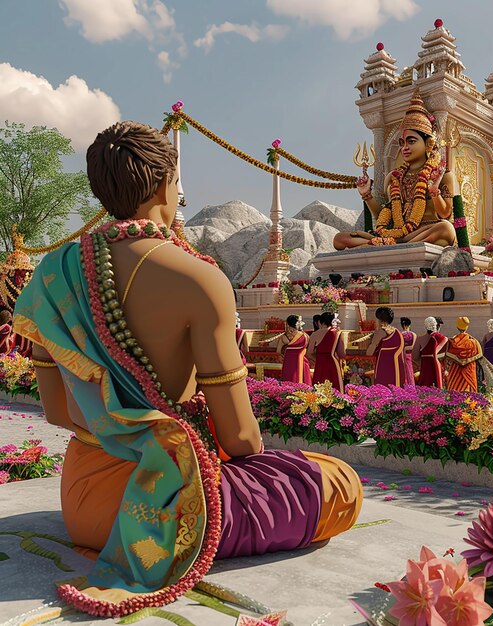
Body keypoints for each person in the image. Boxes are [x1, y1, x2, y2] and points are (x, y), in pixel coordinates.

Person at [13, 121, 362, 617]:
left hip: (82, 499)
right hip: (169, 504)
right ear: (164, 185)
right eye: (177, 182)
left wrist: (125, 428)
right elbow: (241, 439)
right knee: (338, 483)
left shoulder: (53, 273)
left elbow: (57, 412)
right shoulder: (198, 277)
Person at [333, 88, 456, 250]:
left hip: (426, 230)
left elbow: (445, 213)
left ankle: (385, 247)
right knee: (339, 239)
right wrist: (366, 195)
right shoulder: (394, 177)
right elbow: (382, 216)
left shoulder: (442, 175)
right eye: (402, 143)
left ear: (428, 144)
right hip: (396, 234)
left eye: (411, 141)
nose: (405, 147)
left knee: (446, 229)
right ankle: (392, 246)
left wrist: (434, 191)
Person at [366, 307, 407, 387]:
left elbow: (369, 352)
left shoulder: (381, 332)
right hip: (397, 369)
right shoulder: (397, 332)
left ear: (379, 320)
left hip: (384, 367)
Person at [309, 311, 346, 392]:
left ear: (321, 322)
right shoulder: (337, 333)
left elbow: (309, 353)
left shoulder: (315, 334)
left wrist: (318, 360)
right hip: (333, 363)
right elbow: (342, 354)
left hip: (320, 364)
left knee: (319, 387)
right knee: (335, 389)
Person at [444, 317, 482, 393]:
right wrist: (468, 360)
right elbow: (479, 355)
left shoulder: (452, 342)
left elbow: (447, 357)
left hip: (455, 372)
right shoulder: (474, 342)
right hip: (469, 371)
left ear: (457, 327)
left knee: (455, 392)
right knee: (470, 395)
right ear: (467, 327)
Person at [413, 316, 448, 388]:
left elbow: (415, 357)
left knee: (425, 383)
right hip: (435, 365)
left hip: (424, 364)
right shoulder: (440, 337)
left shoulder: (420, 339)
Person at [277, 315, 312, 385]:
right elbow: (308, 351)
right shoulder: (305, 336)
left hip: (288, 362)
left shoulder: (284, 336)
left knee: (289, 383)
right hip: (302, 361)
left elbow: (278, 351)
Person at [400, 317, 417, 385]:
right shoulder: (413, 334)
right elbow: (413, 346)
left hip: (401, 355)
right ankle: (411, 386)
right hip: (409, 355)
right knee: (409, 370)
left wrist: (403, 349)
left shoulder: (400, 334)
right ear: (409, 325)